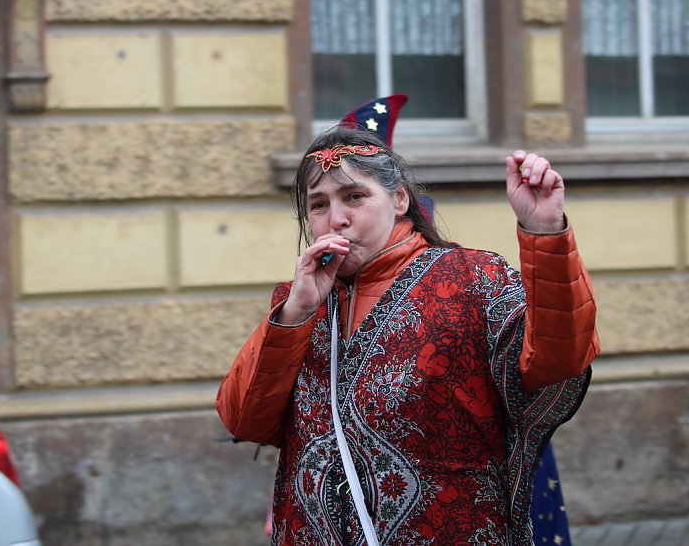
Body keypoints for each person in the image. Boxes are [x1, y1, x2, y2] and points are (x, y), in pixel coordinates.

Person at [216, 122, 599, 545]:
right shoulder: (297, 301)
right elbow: (244, 419)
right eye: (319, 204)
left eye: (355, 197)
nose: (336, 220)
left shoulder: (473, 277)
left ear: (399, 199)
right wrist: (295, 313)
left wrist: (545, 234)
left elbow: (559, 358)